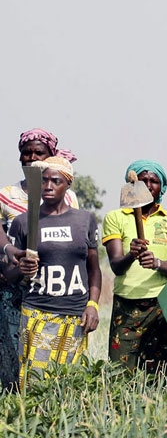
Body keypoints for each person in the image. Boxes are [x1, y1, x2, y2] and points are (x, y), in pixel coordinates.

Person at [3, 157, 100, 390]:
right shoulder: (23, 222)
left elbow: (93, 269)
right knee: (35, 384)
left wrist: (93, 305)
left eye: (55, 181)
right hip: (37, 313)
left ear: (67, 184)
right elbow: (8, 270)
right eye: (44, 180)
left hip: (76, 315)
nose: (48, 186)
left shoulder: (84, 220)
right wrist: (20, 268)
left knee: (72, 384)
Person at [0, 129, 79, 390]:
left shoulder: (67, 196)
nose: (32, 158)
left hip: (53, 291)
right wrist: (11, 253)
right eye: (27, 153)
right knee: (14, 362)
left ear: (51, 157)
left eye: (39, 153)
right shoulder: (7, 195)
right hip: (14, 288)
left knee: (52, 363)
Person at [101, 160, 167, 378]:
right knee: (121, 373)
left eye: (154, 181)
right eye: (142, 180)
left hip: (163, 305)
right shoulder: (115, 217)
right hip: (127, 304)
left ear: (162, 187)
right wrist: (132, 254)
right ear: (132, 185)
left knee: (166, 374)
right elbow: (117, 267)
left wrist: (157, 263)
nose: (148, 185)